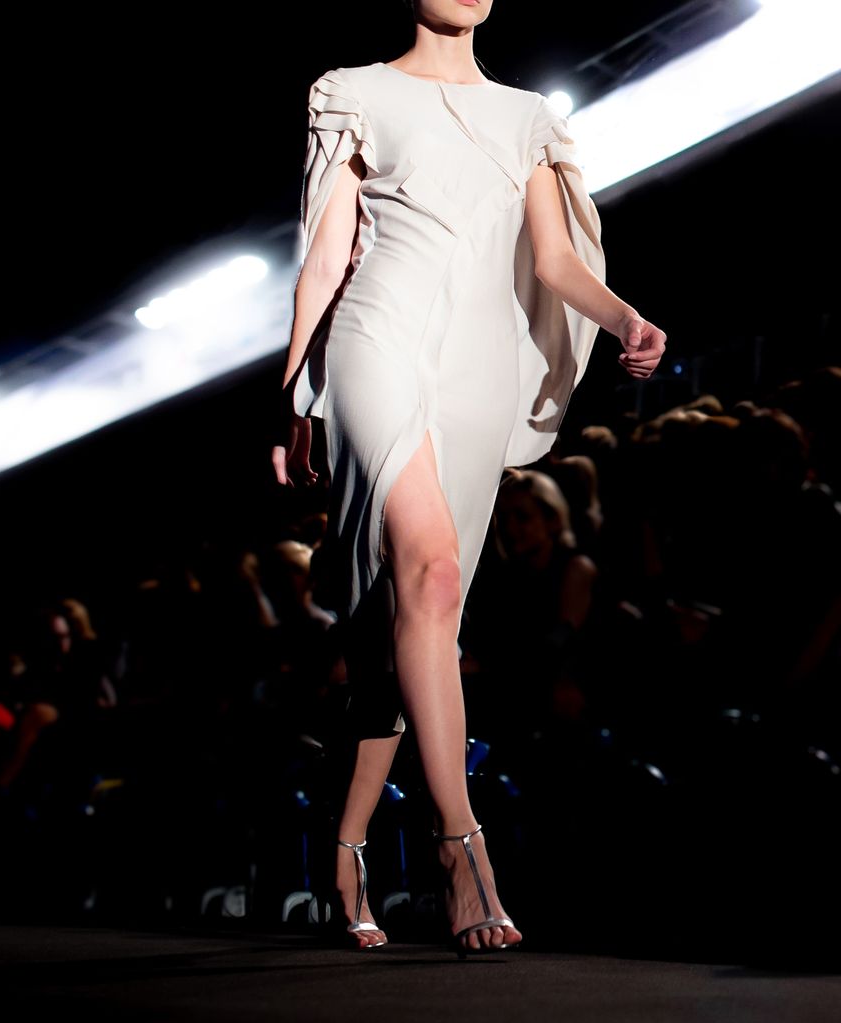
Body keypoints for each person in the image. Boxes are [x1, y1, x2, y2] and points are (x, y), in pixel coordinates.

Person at [269, 0, 667, 955]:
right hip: (376, 339)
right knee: (433, 574)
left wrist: (624, 319)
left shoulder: (527, 115)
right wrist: (294, 395)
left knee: (411, 617)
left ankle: (349, 842)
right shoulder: (353, 93)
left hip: (480, 366)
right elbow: (325, 257)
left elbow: (555, 259)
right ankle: (461, 845)